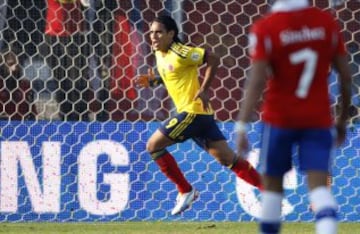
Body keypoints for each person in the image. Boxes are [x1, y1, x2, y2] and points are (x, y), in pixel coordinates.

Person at [235, 0, 351, 233]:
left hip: (278, 120)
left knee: (272, 192)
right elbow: (346, 77)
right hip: (317, 119)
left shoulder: (266, 27)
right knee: (319, 189)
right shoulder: (325, 22)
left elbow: (257, 81)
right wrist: (341, 119)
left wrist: (242, 125)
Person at [134, 15, 263, 216]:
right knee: (228, 159)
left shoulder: (181, 52)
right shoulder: (159, 53)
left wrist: (204, 89)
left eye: (159, 32)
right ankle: (271, 192)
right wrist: (155, 81)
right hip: (202, 116)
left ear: (171, 34)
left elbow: (212, 58)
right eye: (151, 32)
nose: (153, 36)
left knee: (153, 146)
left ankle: (186, 190)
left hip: (192, 112)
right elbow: (173, 73)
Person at [43, 0, 92, 121]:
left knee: (78, 80)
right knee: (61, 82)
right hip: (54, 35)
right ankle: (65, 117)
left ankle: (82, 117)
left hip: (76, 35)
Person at [0, 48, 37, 120]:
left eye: (17, 64)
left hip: (21, 125)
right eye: (10, 64)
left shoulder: (25, 85)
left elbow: (32, 112)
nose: (14, 68)